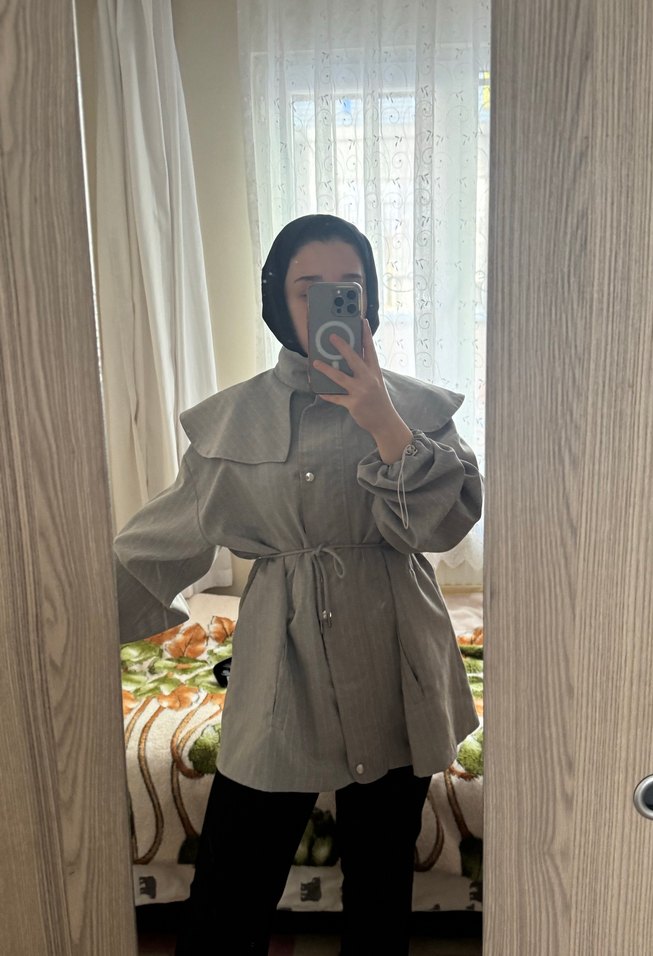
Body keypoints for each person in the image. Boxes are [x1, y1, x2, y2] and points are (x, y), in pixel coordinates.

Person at [113, 214, 483, 955]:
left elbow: (445, 524)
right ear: (276, 300)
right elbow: (151, 549)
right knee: (231, 887)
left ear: (369, 299)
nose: (326, 305)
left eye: (346, 288)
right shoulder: (232, 423)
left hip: (399, 662)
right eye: (306, 288)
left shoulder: (418, 411)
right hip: (279, 669)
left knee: (380, 885)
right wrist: (49, 620)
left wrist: (383, 422)